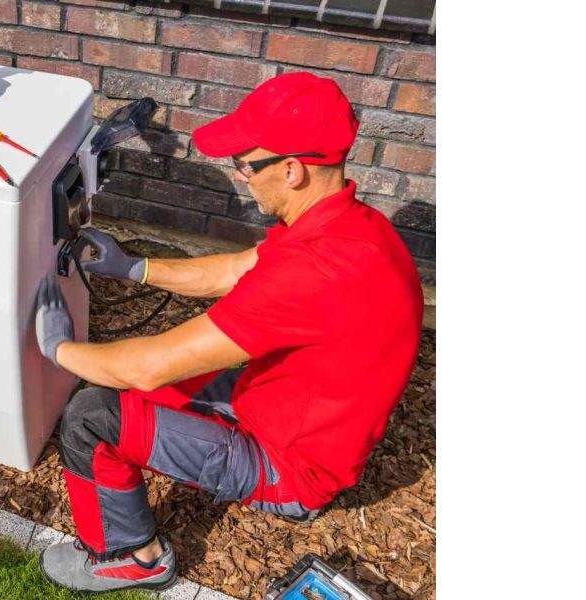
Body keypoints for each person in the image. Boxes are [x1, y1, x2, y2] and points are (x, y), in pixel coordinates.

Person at [33, 72, 424, 593]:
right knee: (121, 388)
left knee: (90, 417)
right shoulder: (349, 227)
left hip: (290, 466)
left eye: (245, 164)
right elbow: (235, 269)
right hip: (284, 409)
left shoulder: (315, 272)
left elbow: (146, 367)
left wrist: (57, 348)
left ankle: (131, 559)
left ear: (292, 170)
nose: (241, 177)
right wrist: (135, 268)